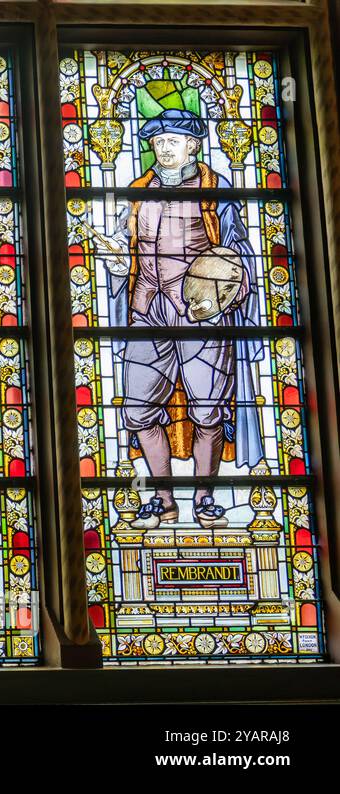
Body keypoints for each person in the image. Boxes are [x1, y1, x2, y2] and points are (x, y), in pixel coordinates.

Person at [97, 108, 264, 530]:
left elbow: (239, 252)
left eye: (172, 141)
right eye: (157, 143)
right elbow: (128, 245)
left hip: (201, 316)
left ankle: (206, 497)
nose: (163, 149)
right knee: (138, 410)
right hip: (146, 311)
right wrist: (118, 261)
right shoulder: (139, 190)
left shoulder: (215, 191)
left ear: (193, 145)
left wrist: (224, 298)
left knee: (207, 409)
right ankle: (162, 498)